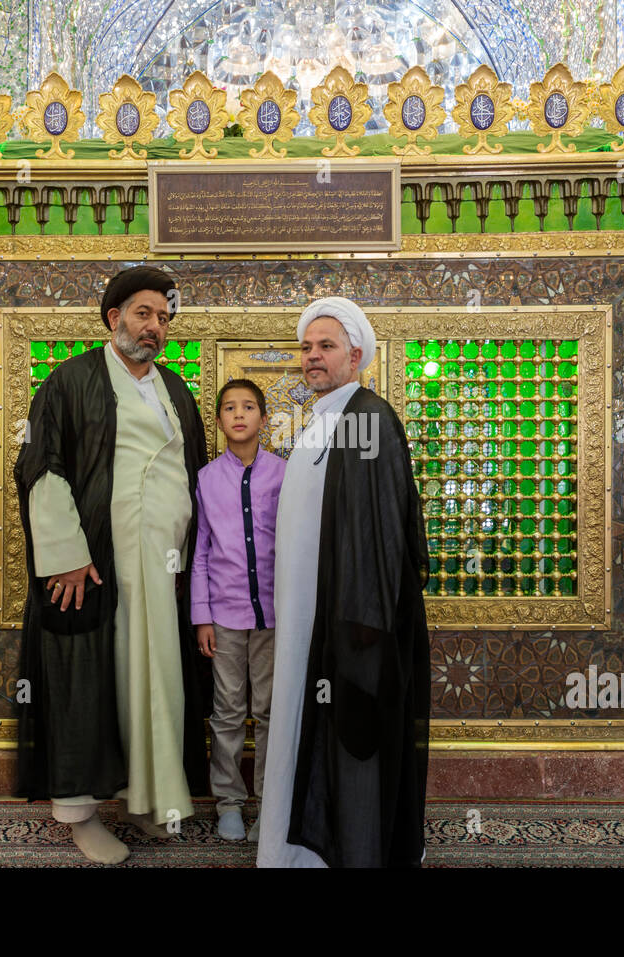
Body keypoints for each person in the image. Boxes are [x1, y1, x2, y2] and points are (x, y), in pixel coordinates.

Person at [13, 264, 210, 865]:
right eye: (144, 314)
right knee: (84, 683)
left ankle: (144, 798)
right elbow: (41, 468)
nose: (155, 327)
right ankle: (80, 814)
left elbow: (194, 476)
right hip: (94, 566)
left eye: (164, 318)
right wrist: (67, 558)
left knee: (153, 684)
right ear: (114, 318)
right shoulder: (70, 381)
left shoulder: (176, 390)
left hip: (162, 569)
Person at [257, 296, 431, 868]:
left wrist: (360, 626)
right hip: (309, 619)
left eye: (326, 346)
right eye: (307, 347)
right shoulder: (325, 417)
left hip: (350, 623)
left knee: (351, 741)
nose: (312, 355)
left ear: (355, 356)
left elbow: (383, 531)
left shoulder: (365, 417)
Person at [192, 378, 286, 843]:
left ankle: (270, 804)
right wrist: (201, 616)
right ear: (219, 421)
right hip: (225, 617)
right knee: (227, 710)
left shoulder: (284, 474)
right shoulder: (207, 479)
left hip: (274, 616)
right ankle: (229, 802)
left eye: (248, 407)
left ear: (263, 419)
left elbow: (295, 543)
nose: (239, 414)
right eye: (229, 408)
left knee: (269, 711)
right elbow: (201, 550)